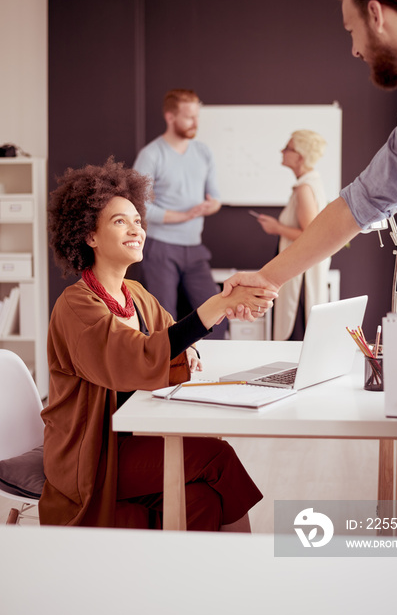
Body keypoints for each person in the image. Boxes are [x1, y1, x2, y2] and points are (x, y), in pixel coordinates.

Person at [222, 0, 397, 532]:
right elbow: (354, 206)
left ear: (378, 13)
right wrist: (267, 277)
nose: (354, 48)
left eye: (351, 28)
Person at [39, 157, 273, 530]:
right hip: (96, 455)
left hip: (134, 437)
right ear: (90, 235)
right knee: (216, 455)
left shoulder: (135, 293)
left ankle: (198, 579)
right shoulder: (76, 305)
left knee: (202, 499)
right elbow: (137, 355)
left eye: (137, 220)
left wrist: (191, 347)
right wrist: (218, 304)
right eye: (120, 221)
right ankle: (249, 567)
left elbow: (173, 337)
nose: (136, 229)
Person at [133, 88, 227, 338]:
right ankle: (166, 373)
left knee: (218, 316)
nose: (195, 123)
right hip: (161, 247)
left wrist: (211, 205)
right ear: (170, 117)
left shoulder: (204, 152)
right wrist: (183, 216)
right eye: (188, 117)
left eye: (197, 116)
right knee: (163, 319)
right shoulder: (151, 154)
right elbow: (138, 206)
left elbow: (215, 197)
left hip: (194, 247)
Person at [254, 130, 330, 340]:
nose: (282, 151)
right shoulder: (309, 183)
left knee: (296, 334)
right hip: (301, 272)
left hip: (300, 278)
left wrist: (277, 228)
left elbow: (310, 234)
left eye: (287, 148)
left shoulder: (304, 188)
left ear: (300, 157)